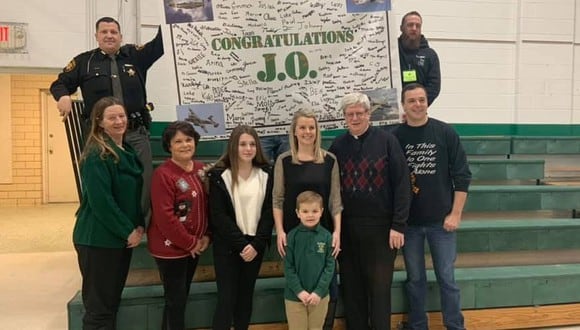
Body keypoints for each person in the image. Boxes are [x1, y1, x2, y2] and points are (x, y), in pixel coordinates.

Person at [50, 16, 164, 226]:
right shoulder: (84, 62)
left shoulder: (135, 55)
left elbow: (161, 43)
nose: (109, 35)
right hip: (102, 138)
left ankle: (139, 225)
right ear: (97, 36)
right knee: (106, 184)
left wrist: (170, 15)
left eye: (113, 32)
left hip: (135, 133)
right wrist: (63, 96)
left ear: (120, 36)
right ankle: (112, 225)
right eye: (104, 32)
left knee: (144, 182)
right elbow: (59, 83)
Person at [329, 92, 411, 330]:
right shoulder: (338, 145)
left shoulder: (387, 141)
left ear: (368, 115)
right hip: (348, 228)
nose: (355, 117)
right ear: (345, 117)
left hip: (381, 228)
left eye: (359, 113)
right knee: (352, 291)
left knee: (379, 290)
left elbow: (402, 184)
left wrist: (398, 225)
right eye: (350, 114)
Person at [392, 83, 471, 330]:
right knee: (415, 279)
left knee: (447, 278)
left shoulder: (445, 132)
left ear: (427, 102)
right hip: (410, 225)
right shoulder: (395, 137)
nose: (417, 104)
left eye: (421, 100)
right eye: (412, 100)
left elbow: (462, 175)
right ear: (403, 105)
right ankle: (417, 326)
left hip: (441, 223)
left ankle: (454, 326)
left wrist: (455, 214)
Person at [74, 96, 144, 329]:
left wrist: (139, 224)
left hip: (119, 240)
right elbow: (101, 202)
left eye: (121, 116)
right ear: (100, 122)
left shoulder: (127, 151)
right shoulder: (97, 154)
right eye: (111, 117)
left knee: (110, 305)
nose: (118, 121)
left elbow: (131, 197)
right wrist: (127, 230)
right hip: (98, 240)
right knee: (99, 310)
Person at [273, 108, 342, 329]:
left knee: (326, 286)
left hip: (324, 234)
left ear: (317, 130)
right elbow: (277, 199)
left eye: (311, 127)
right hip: (294, 235)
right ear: (294, 131)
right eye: (302, 127)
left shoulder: (329, 160)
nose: (307, 131)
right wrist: (280, 231)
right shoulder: (284, 161)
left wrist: (337, 232)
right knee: (298, 287)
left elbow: (335, 200)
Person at [207, 125, 274, 330]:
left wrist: (256, 244)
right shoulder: (219, 175)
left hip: (255, 247)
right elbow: (218, 215)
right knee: (226, 300)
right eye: (243, 144)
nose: (248, 148)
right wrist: (241, 245)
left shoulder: (266, 174)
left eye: (252, 144)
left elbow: (269, 212)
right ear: (233, 146)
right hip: (229, 247)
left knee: (245, 300)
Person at [147, 121, 211, 330]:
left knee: (180, 299)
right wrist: (190, 243)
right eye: (178, 141)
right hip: (171, 249)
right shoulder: (163, 174)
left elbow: (210, 205)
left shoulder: (201, 169)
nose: (185, 145)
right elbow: (165, 218)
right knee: (175, 301)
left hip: (194, 247)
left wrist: (206, 236)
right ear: (169, 146)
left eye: (189, 140)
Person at [284, 191, 335, 330]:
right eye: (305, 211)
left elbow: (330, 267)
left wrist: (318, 292)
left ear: (321, 211)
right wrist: (299, 291)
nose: (310, 215)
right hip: (294, 297)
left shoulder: (327, 236)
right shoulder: (292, 236)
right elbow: (288, 267)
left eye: (314, 211)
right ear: (297, 213)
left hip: (319, 297)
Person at [399, 11, 441, 106]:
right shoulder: (392, 51)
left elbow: (434, 87)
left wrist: (417, 106)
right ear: (401, 28)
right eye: (410, 25)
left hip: (418, 110)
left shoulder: (430, 55)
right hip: (394, 111)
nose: (414, 28)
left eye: (417, 26)